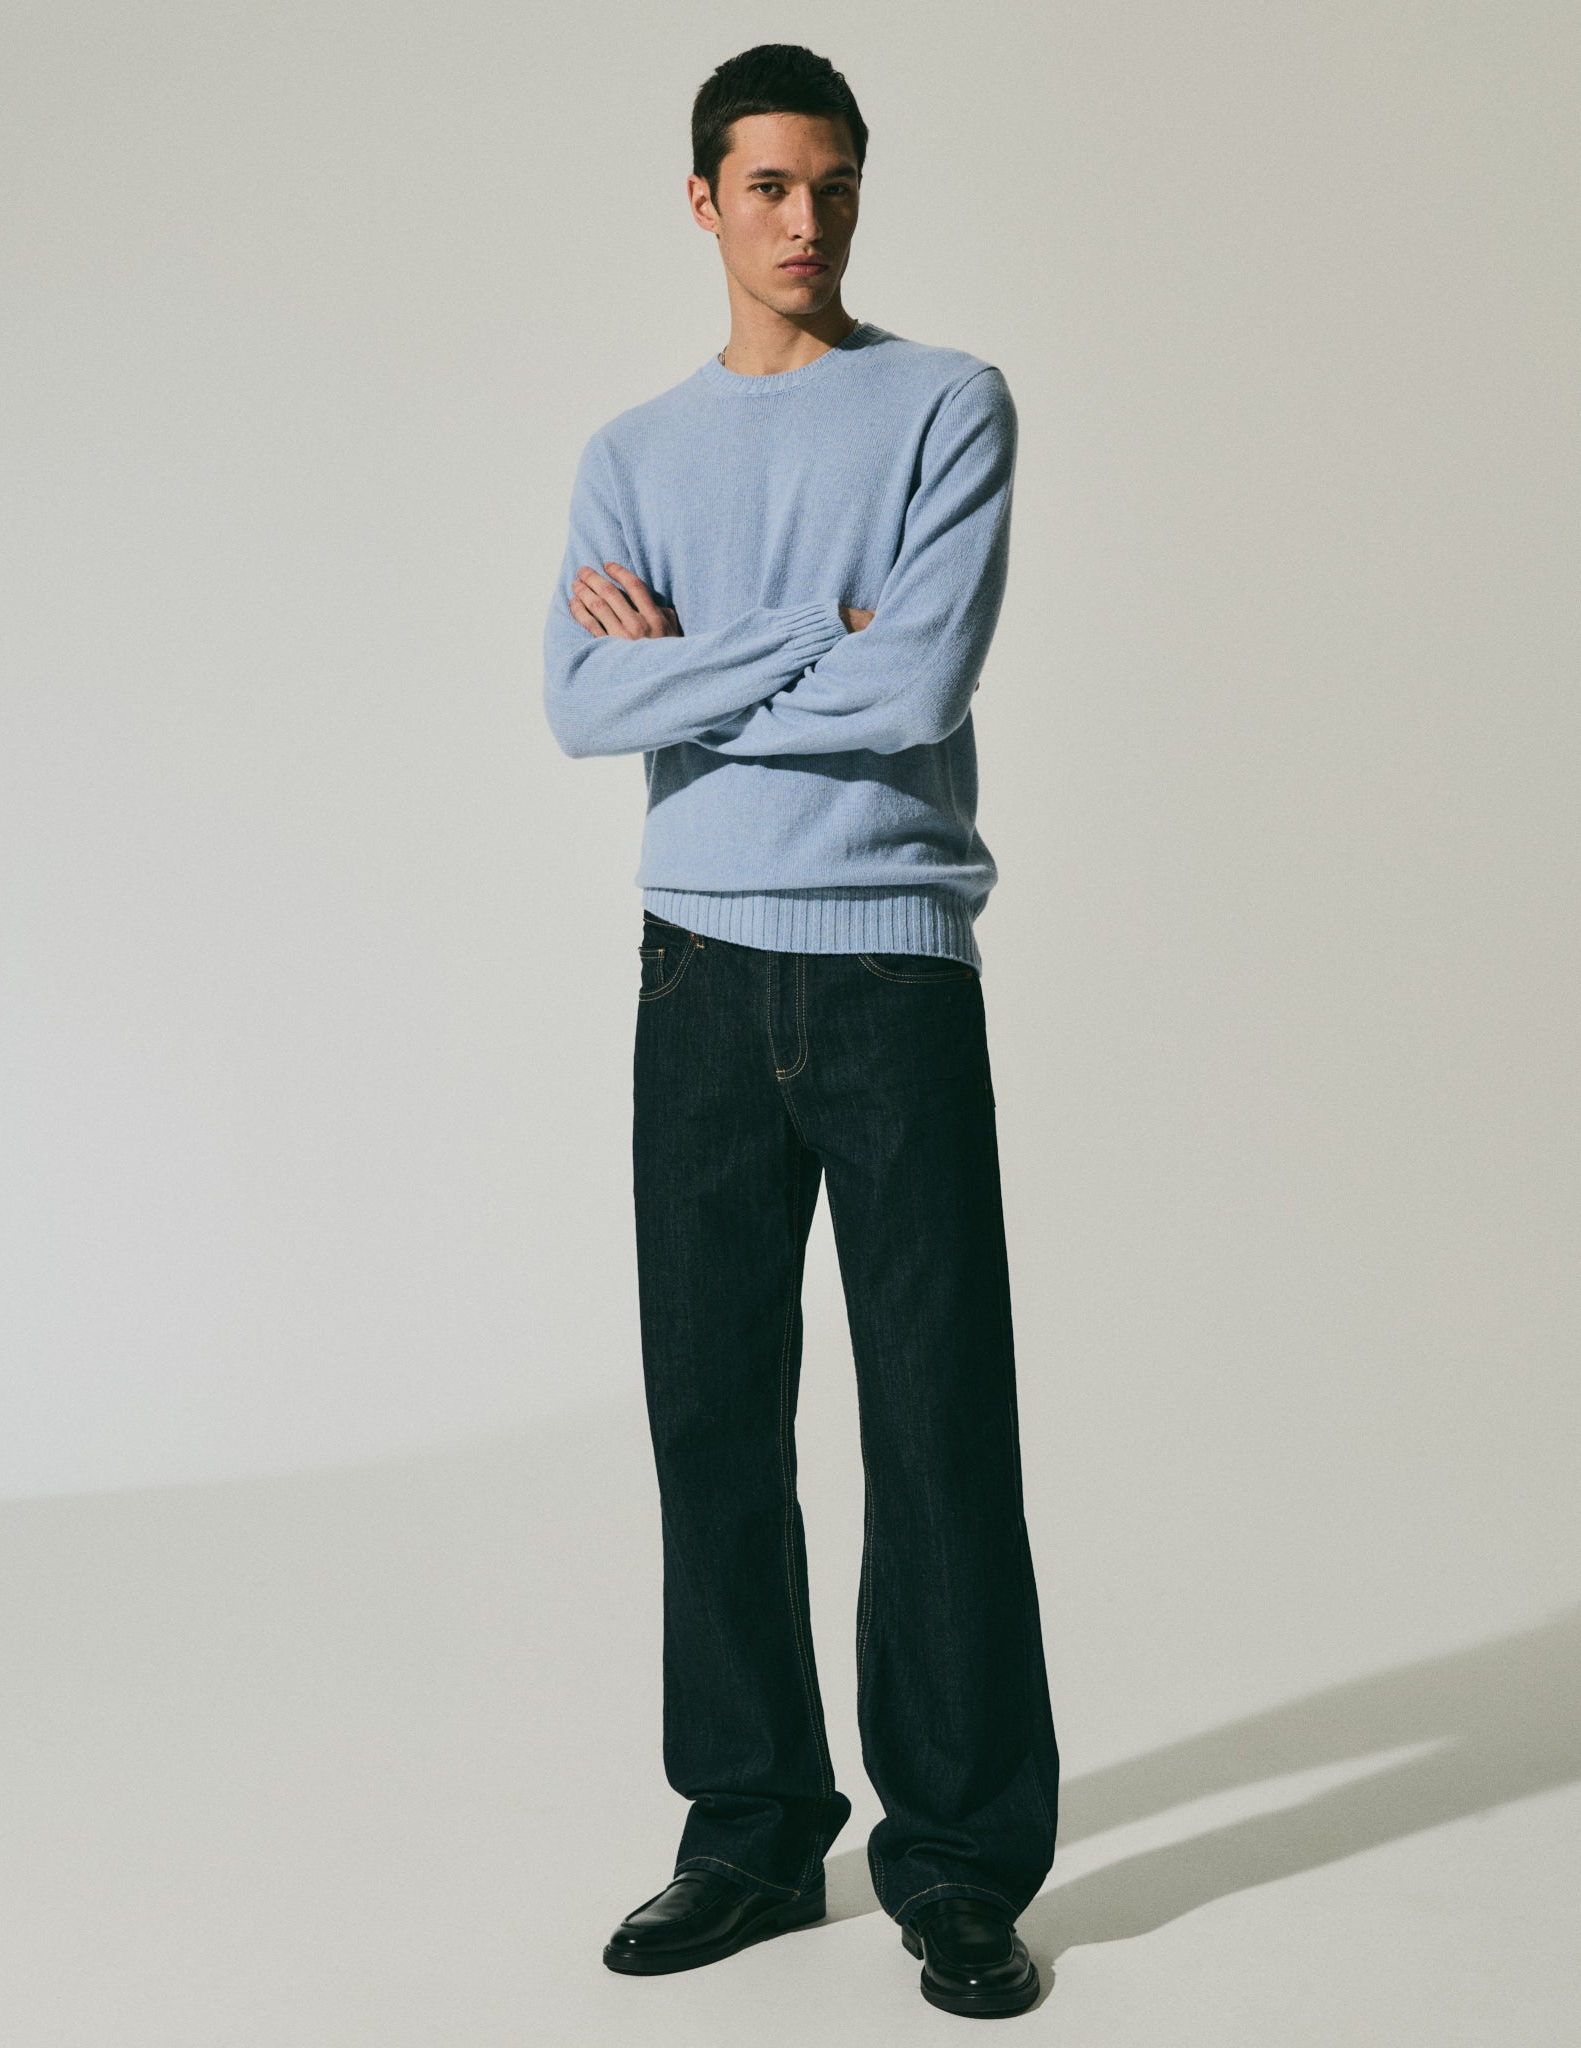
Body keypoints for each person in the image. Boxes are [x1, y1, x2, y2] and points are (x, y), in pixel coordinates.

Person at [542, 41, 1060, 2021]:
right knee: (710, 1417)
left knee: (936, 1421)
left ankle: (958, 1863)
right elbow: (579, 705)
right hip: (695, 972)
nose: (804, 219)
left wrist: (693, 663)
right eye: (767, 184)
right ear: (704, 200)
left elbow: (918, 681)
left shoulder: (944, 403)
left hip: (889, 968)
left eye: (832, 184)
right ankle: (752, 1832)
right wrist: (799, 641)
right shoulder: (631, 452)